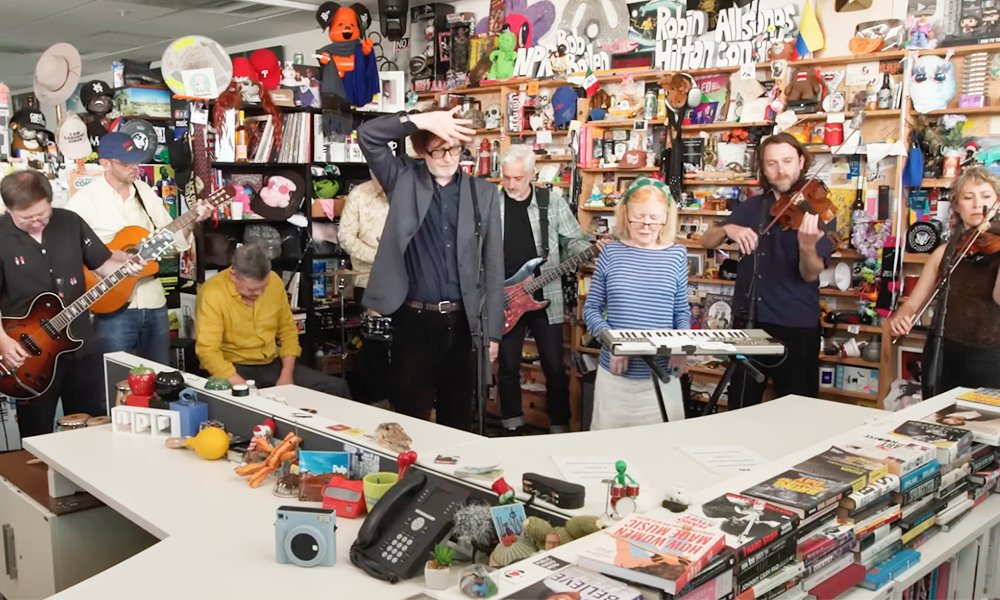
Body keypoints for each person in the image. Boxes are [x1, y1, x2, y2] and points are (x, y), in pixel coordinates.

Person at [357, 107, 502, 432]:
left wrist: (493, 332)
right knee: (411, 417)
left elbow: (493, 266)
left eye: (454, 148)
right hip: (414, 320)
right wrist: (421, 121)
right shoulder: (403, 180)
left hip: (464, 322)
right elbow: (368, 137)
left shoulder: (484, 193)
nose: (448, 157)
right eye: (438, 149)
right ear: (423, 150)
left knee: (458, 417)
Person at [0, 170, 143, 438]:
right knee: (37, 432)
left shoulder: (69, 222)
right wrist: (3, 342)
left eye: (42, 215)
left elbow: (103, 265)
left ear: (50, 201)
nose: (36, 222)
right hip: (28, 354)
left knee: (91, 423)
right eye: (26, 218)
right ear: (9, 209)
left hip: (80, 344)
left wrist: (128, 268)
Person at [700, 132, 832, 409]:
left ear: (801, 161)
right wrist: (727, 228)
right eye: (772, 163)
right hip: (749, 325)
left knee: (798, 412)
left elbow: (810, 274)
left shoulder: (817, 210)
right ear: (763, 168)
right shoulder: (751, 207)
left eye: (787, 160)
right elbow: (706, 241)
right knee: (740, 409)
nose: (781, 170)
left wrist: (807, 246)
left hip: (795, 326)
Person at [66, 132, 211, 365]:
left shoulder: (144, 192)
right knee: (114, 378)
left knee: (158, 375)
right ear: (105, 163)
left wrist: (193, 220)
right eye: (126, 163)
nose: (134, 167)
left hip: (153, 301)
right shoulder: (85, 200)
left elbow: (171, 239)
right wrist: (109, 256)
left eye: (136, 160)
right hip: (112, 303)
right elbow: (67, 248)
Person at [498, 144, 600, 434]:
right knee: (506, 368)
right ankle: (511, 425)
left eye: (517, 178)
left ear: (532, 174)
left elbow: (573, 241)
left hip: (547, 297)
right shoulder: (492, 203)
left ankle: (559, 426)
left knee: (555, 368)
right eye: (506, 177)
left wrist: (590, 249)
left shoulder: (551, 202)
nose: (511, 184)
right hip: (505, 299)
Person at [583, 178, 690, 429]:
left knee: (661, 452)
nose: (646, 225)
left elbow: (681, 311)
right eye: (638, 217)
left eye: (654, 217)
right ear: (625, 214)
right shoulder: (611, 253)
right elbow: (591, 310)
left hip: (663, 376)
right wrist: (613, 344)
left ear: (666, 217)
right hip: (616, 378)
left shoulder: (677, 254)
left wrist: (681, 347)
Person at [889, 166, 1000, 393]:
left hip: (991, 358)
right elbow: (912, 304)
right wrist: (902, 316)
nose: (978, 204)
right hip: (943, 353)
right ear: (957, 207)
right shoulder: (944, 253)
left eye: (986, 196)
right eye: (968, 197)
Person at [195, 243, 350, 397]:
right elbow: (207, 351)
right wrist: (242, 386)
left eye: (264, 286)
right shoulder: (212, 293)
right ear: (234, 275)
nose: (260, 292)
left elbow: (288, 331)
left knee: (335, 387)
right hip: (233, 367)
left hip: (272, 364)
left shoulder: (275, 282)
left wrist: (286, 374)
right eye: (252, 289)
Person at [338, 176, 391, 403]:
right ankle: (375, 402)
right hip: (368, 280)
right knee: (376, 343)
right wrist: (380, 258)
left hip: (411, 282)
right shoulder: (359, 195)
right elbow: (346, 238)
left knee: (407, 345)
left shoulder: (412, 192)